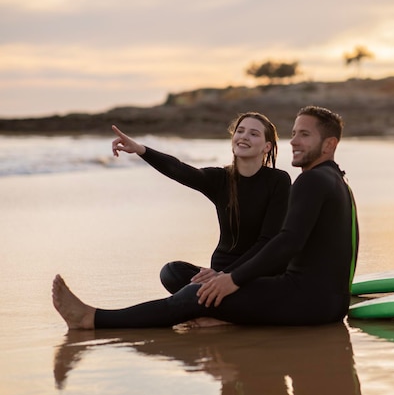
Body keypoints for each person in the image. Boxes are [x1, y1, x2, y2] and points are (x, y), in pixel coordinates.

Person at [52, 105, 359, 328]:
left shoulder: (307, 180)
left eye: (304, 135)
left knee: (192, 297)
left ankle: (92, 318)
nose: (294, 141)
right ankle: (217, 313)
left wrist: (232, 279)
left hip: (308, 303)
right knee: (180, 278)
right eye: (294, 134)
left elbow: (285, 243)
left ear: (329, 144)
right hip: (320, 302)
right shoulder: (332, 179)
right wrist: (142, 150)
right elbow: (183, 171)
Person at [111, 112, 291, 293]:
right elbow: (179, 169)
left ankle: (210, 304)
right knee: (171, 272)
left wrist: (227, 275)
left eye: (253, 133)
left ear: (267, 146)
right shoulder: (220, 178)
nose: (244, 136)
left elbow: (267, 241)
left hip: (255, 273)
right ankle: (214, 302)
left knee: (270, 284)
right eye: (240, 131)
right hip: (218, 270)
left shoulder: (278, 181)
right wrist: (141, 149)